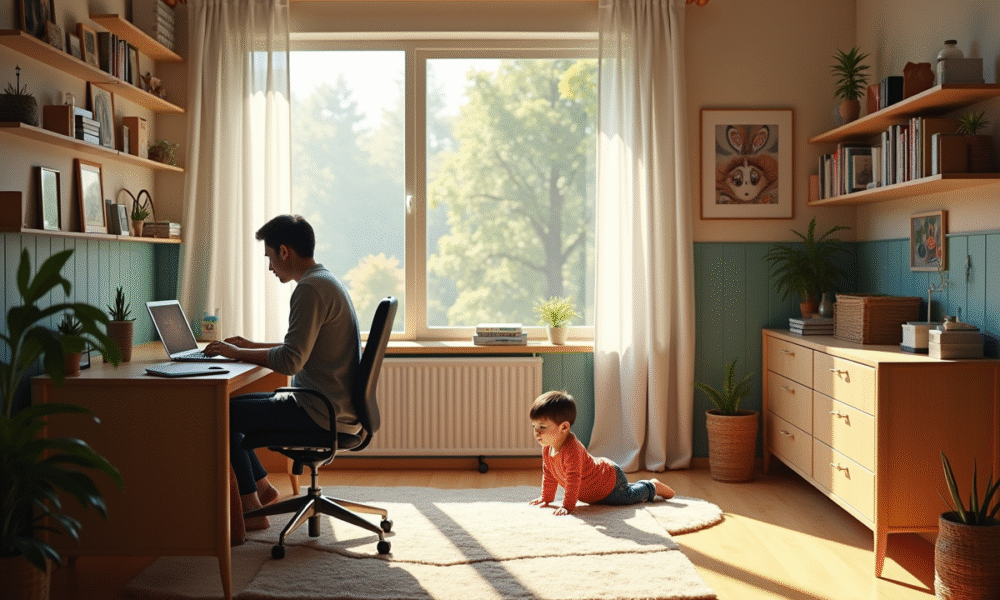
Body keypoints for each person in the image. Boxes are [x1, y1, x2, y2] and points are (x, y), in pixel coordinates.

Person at [205, 214, 362, 531]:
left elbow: (291, 361)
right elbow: (302, 346)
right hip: (332, 406)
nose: (270, 266)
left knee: (221, 414)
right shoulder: (325, 281)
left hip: (318, 410)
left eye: (270, 257)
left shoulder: (309, 290)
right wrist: (251, 345)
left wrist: (238, 352)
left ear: (285, 251)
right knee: (235, 408)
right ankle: (262, 488)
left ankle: (252, 508)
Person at [529, 390, 674, 515]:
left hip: (609, 482)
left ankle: (651, 486)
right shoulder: (547, 447)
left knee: (628, 497)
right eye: (534, 425)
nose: (536, 432)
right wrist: (546, 498)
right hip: (593, 492)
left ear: (564, 427)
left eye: (542, 427)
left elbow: (573, 480)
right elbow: (549, 474)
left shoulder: (572, 450)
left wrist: (567, 505)